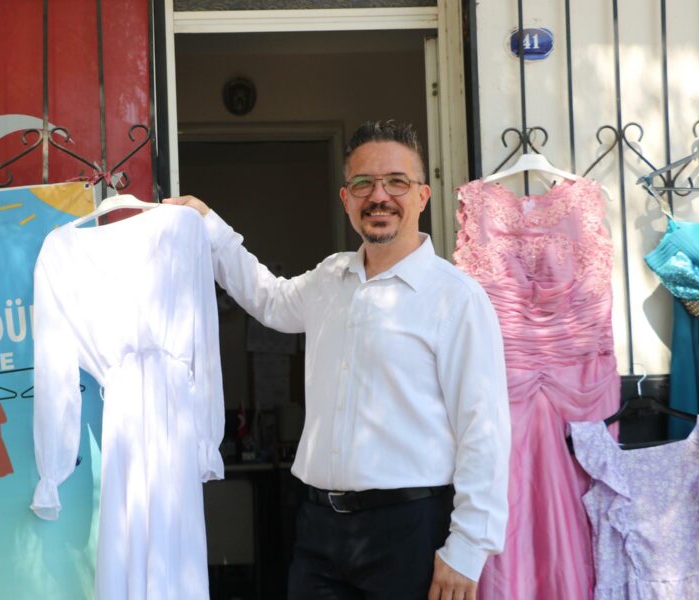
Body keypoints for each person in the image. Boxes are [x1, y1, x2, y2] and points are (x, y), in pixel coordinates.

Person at [165, 120, 510, 600]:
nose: (379, 196)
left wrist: (468, 549)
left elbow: (483, 430)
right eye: (364, 183)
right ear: (346, 198)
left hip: (410, 532)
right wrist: (209, 227)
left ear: (423, 196)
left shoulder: (457, 298)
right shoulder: (330, 278)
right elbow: (268, 299)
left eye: (396, 182)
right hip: (318, 533)